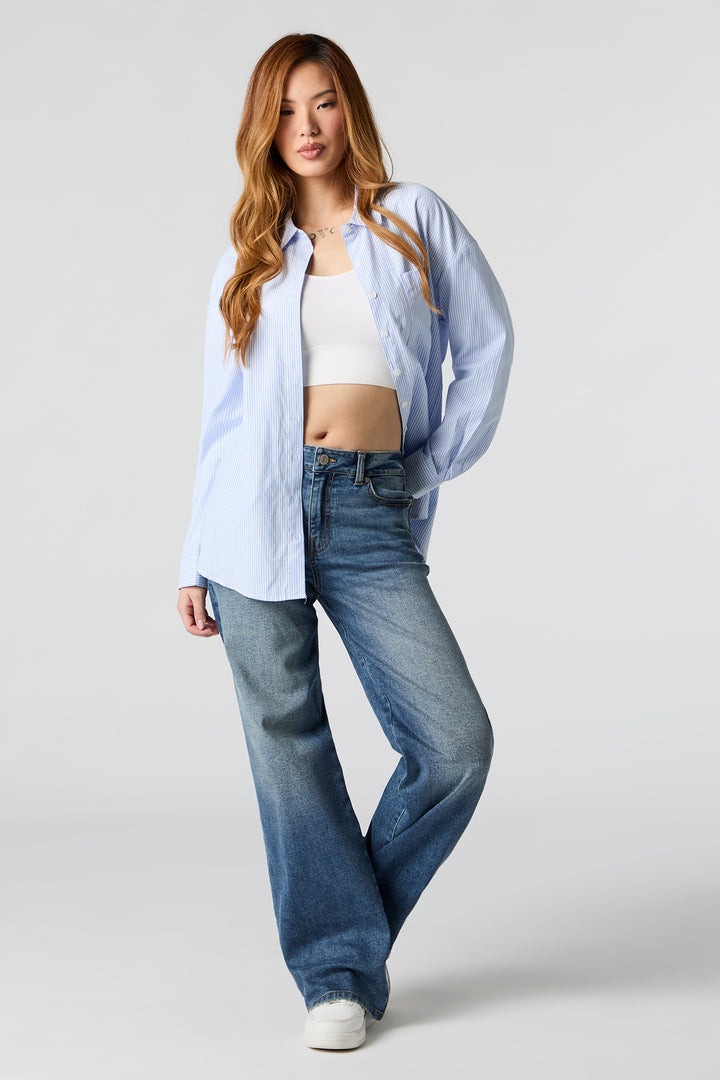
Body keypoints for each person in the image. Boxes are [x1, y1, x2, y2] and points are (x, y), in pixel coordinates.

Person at [176, 32, 514, 1051]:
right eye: (284, 110)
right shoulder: (248, 258)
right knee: (291, 748)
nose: (306, 126)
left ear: (349, 108)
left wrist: (425, 465)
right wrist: (192, 557)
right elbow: (221, 425)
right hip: (251, 515)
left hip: (368, 507)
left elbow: (487, 348)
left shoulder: (413, 219)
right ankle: (336, 974)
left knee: (454, 744)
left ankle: (342, 939)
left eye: (321, 102)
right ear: (263, 128)